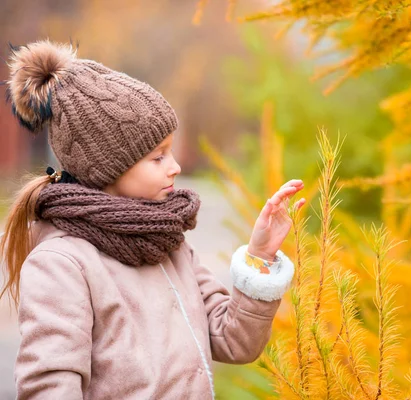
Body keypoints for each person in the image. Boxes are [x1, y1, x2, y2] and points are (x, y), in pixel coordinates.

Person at [0, 40, 305, 399]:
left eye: (170, 151)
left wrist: (261, 256)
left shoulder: (169, 243)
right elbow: (49, 387)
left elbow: (234, 342)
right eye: (157, 157)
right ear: (106, 168)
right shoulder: (62, 264)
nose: (175, 166)